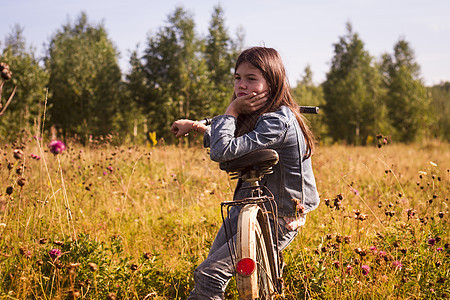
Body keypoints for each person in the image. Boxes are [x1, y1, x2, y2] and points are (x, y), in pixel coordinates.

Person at [170, 47, 320, 299]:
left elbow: (224, 149)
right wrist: (195, 126)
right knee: (211, 269)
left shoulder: (277, 121)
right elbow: (237, 141)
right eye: (238, 77)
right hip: (249, 206)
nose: (241, 85)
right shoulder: (264, 116)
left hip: (278, 217)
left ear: (272, 83)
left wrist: (232, 111)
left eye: (251, 79)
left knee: (209, 274)